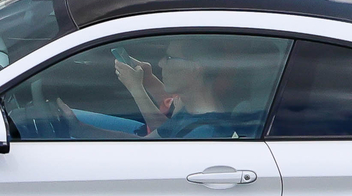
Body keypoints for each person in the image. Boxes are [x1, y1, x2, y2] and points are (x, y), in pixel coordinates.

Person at [112, 36, 271, 139]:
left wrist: (136, 89)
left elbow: (152, 148)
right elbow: (163, 132)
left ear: (195, 68)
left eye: (169, 58)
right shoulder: (189, 108)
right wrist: (147, 79)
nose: (161, 63)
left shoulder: (204, 132)